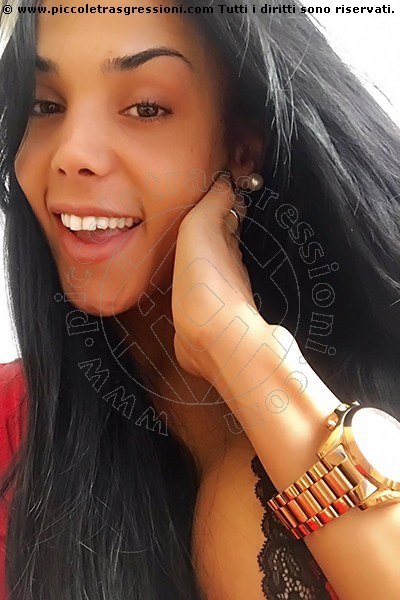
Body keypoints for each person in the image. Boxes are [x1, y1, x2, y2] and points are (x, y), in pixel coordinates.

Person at [0, 0, 399, 598]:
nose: (72, 153)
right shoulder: (13, 429)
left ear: (242, 148)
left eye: (146, 107)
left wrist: (243, 352)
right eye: (46, 106)